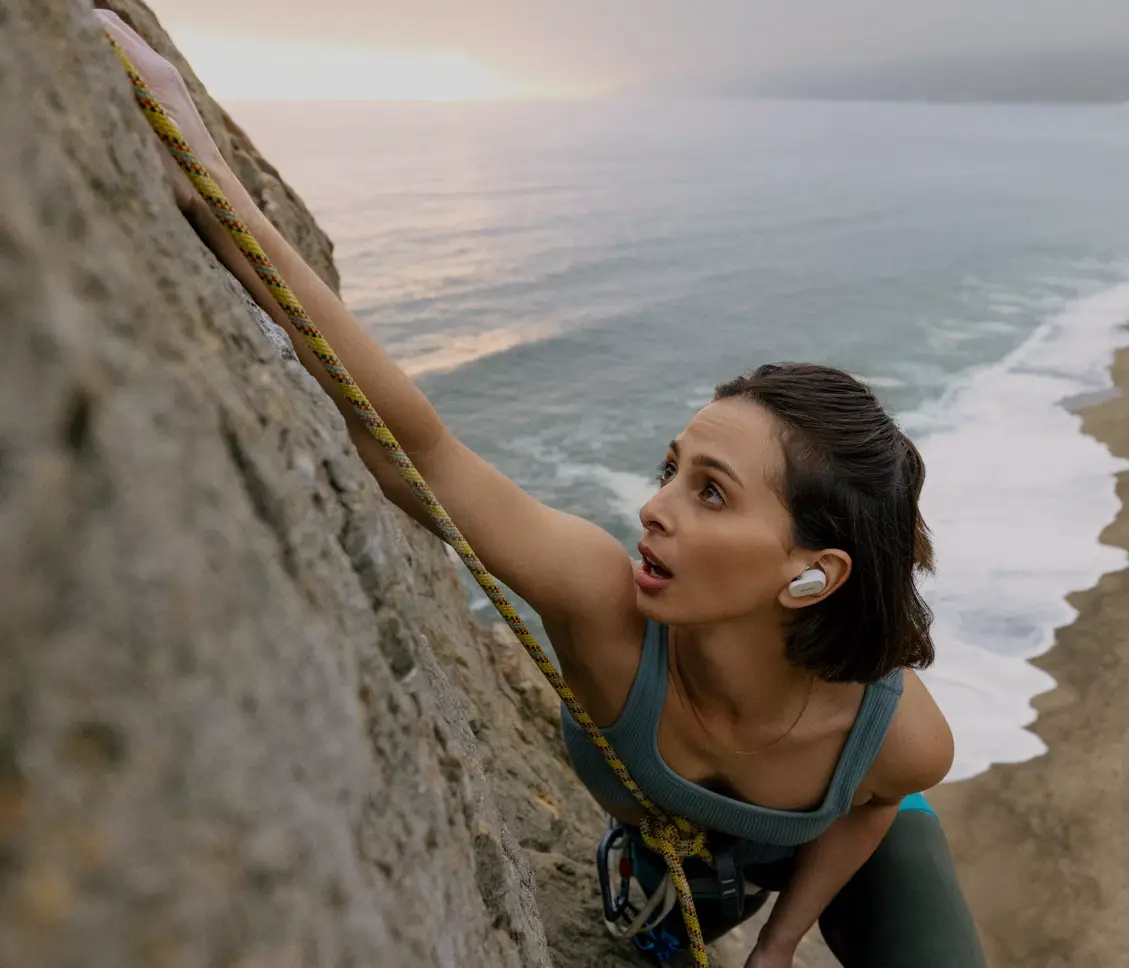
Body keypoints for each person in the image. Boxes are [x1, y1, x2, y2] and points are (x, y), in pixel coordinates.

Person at [97, 11, 988, 967]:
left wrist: (777, 951)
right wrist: (202, 168)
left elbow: (875, 807)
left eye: (713, 493)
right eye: (671, 471)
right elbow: (421, 453)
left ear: (812, 574)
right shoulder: (602, 607)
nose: (654, 508)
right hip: (685, 875)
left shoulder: (894, 737)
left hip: (840, 856)